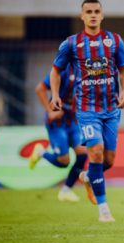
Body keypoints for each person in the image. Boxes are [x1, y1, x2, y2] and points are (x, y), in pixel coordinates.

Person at [50, 0, 124, 222]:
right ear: (82, 16)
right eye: (89, 12)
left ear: (102, 15)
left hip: (111, 110)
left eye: (96, 11)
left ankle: (88, 176)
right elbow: (55, 71)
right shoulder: (71, 44)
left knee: (108, 160)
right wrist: (55, 95)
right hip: (87, 110)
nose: (93, 15)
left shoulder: (114, 40)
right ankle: (104, 210)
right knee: (95, 151)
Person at [28, 65, 88, 202]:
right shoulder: (64, 71)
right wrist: (50, 112)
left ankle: (66, 190)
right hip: (57, 124)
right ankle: (40, 153)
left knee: (83, 154)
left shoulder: (87, 71)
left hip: (72, 122)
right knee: (64, 161)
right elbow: (40, 88)